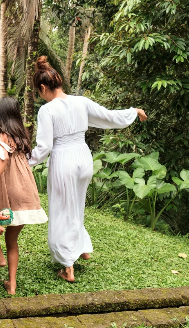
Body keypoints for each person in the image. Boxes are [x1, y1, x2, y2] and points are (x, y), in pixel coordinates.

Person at [28, 56, 147, 283]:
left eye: (38, 91)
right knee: (76, 205)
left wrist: (24, 162)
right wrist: (133, 111)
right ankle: (82, 247)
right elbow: (110, 116)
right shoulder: (81, 101)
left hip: (64, 160)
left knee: (62, 210)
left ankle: (67, 266)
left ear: (43, 87)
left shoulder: (47, 110)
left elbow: (44, 148)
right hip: (83, 157)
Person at [0, 97, 48, 295]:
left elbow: (3, 160)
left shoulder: (2, 136)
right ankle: (12, 285)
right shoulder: (21, 136)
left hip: (7, 188)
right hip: (25, 189)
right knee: (12, 240)